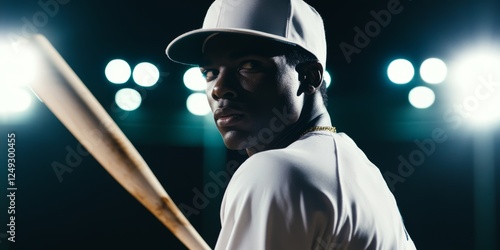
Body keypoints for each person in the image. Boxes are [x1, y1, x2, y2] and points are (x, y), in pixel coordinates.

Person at [166, 0, 417, 249]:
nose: (219, 88)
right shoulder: (362, 170)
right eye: (209, 72)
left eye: (249, 65)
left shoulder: (273, 171)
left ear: (309, 77)